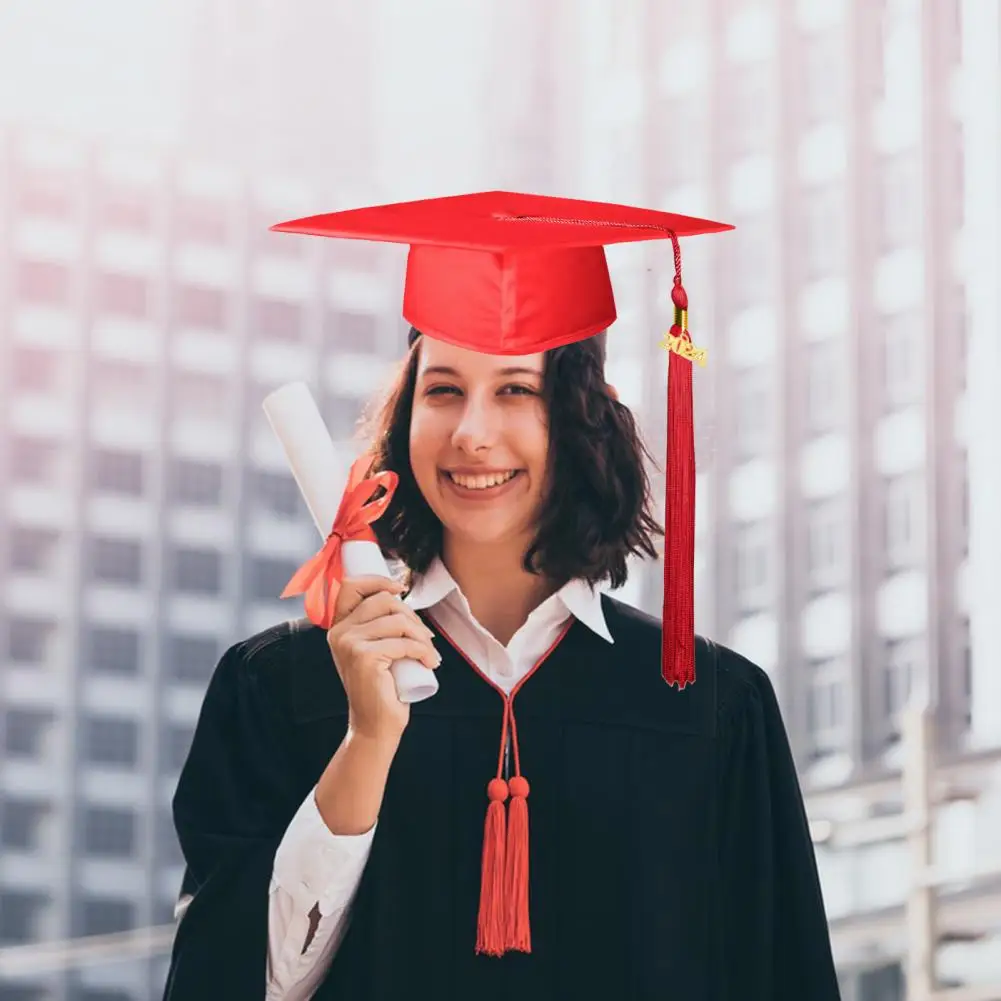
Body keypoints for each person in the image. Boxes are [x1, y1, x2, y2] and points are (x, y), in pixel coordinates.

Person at [161, 192, 842, 1000]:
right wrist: (367, 740)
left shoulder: (709, 707)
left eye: (515, 390)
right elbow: (232, 984)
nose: (471, 432)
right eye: (443, 390)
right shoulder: (278, 688)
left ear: (582, 420)